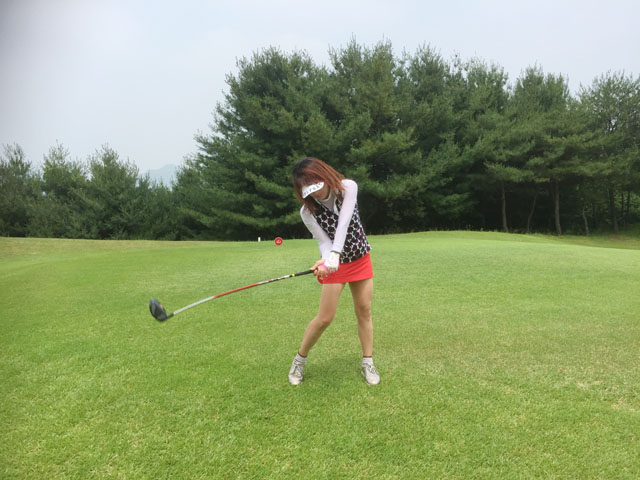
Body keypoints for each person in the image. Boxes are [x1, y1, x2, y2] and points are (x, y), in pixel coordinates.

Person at [288, 157, 380, 386]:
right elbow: (324, 242)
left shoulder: (348, 188)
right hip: (336, 264)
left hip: (360, 258)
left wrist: (334, 254)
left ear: (324, 175)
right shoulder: (307, 212)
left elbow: (344, 224)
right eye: (308, 189)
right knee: (325, 318)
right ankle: (299, 360)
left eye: (316, 184)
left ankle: (368, 362)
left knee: (364, 310)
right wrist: (326, 259)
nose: (315, 192)